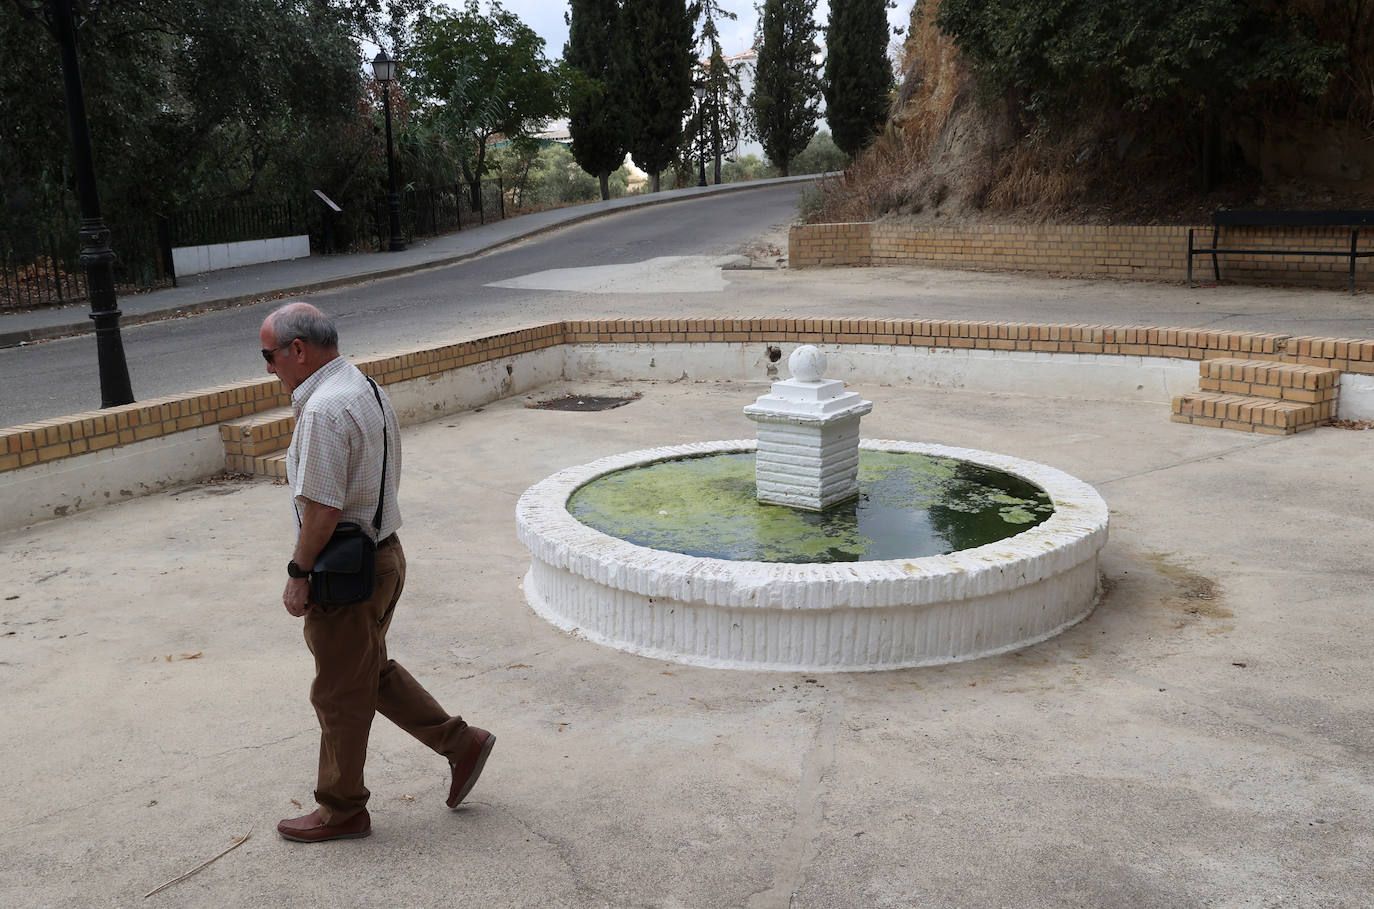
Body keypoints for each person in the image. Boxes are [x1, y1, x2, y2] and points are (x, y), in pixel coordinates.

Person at [260, 301, 494, 843]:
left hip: (346, 572)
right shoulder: (362, 386)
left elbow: (322, 510)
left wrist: (299, 572)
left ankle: (342, 809)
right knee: (366, 671)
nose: (268, 368)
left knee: (339, 693)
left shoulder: (323, 409)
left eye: (269, 356)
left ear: (298, 350)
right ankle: (462, 744)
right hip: (383, 557)